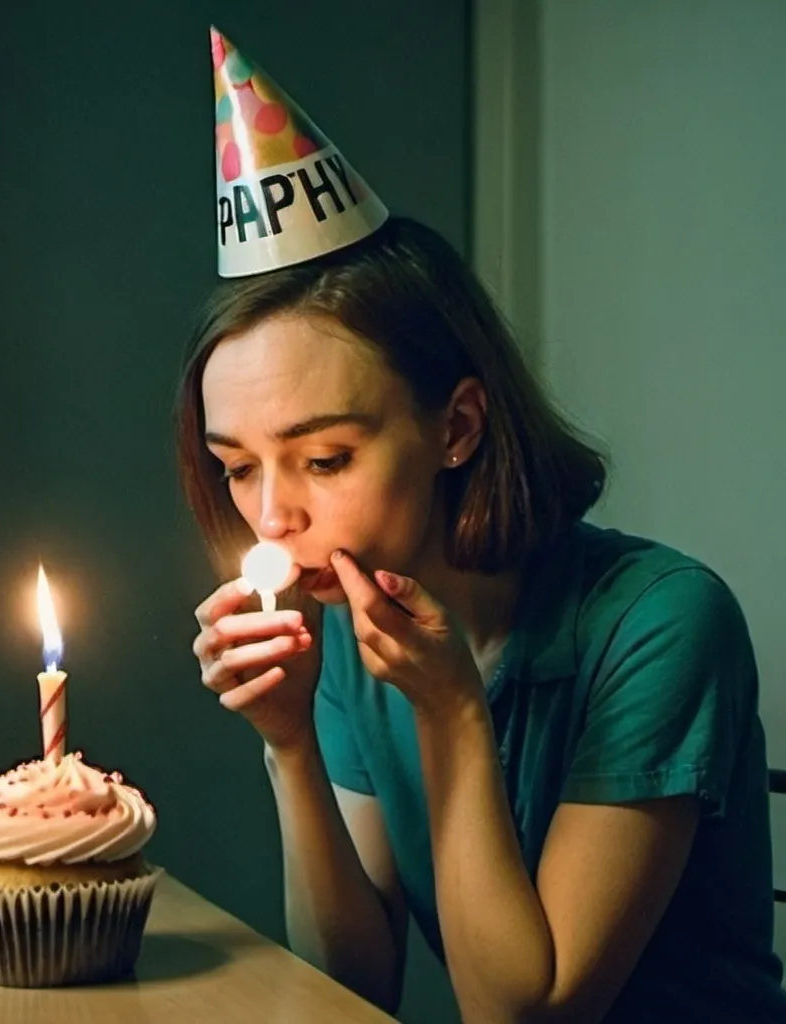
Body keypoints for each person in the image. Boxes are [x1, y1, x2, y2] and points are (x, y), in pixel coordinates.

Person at [181, 30, 786, 1024]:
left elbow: (526, 1011)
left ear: (455, 426)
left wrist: (454, 713)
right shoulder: (349, 620)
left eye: (324, 458)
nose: (273, 514)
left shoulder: (666, 622)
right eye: (238, 467)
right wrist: (286, 742)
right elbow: (353, 984)